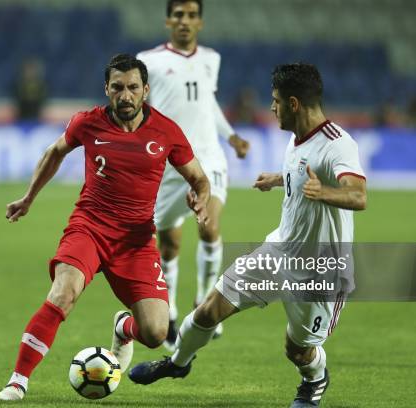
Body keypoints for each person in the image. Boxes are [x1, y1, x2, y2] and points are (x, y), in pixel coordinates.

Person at [129, 63, 368, 408]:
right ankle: (177, 363)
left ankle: (314, 380)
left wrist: (323, 192)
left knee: (297, 349)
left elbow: (358, 196)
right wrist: (279, 179)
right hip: (279, 252)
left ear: (294, 104)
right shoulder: (296, 138)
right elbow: (302, 175)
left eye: (276, 101)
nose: (272, 108)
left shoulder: (338, 145)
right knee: (209, 310)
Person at [0, 54, 211, 401]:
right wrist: (28, 197)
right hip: (90, 227)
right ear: (106, 90)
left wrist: (200, 198)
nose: (125, 95)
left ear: (145, 90)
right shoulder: (88, 122)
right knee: (63, 293)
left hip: (137, 240)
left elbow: (199, 178)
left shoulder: (167, 131)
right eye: (117, 88)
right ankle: (18, 380)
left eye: (132, 88)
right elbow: (55, 153)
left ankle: (123, 328)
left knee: (156, 332)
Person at [136, 0, 249, 350]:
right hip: (168, 165)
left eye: (191, 16)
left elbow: (207, 103)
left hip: (208, 159)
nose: (185, 21)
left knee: (209, 225)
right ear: (169, 20)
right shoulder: (149, 61)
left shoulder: (211, 59)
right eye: (179, 15)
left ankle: (203, 303)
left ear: (200, 22)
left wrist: (230, 135)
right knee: (168, 244)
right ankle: (168, 312)